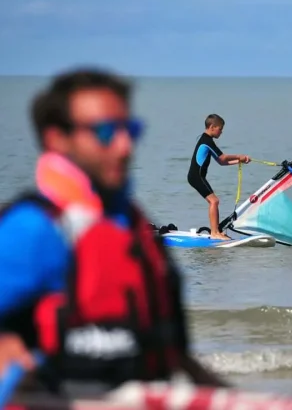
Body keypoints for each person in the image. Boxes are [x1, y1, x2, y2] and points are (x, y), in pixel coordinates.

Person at [0, 67, 227, 395]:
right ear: (57, 139)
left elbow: (175, 358)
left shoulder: (137, 232)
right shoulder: (27, 233)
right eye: (106, 132)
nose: (124, 146)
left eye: (129, 130)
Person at [187, 114, 250, 240]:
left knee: (214, 201)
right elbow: (223, 157)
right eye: (220, 129)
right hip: (196, 176)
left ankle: (215, 232)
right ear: (212, 127)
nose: (221, 132)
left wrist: (239, 162)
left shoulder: (207, 140)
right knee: (214, 201)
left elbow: (221, 162)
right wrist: (239, 156)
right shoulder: (206, 141)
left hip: (197, 176)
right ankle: (215, 233)